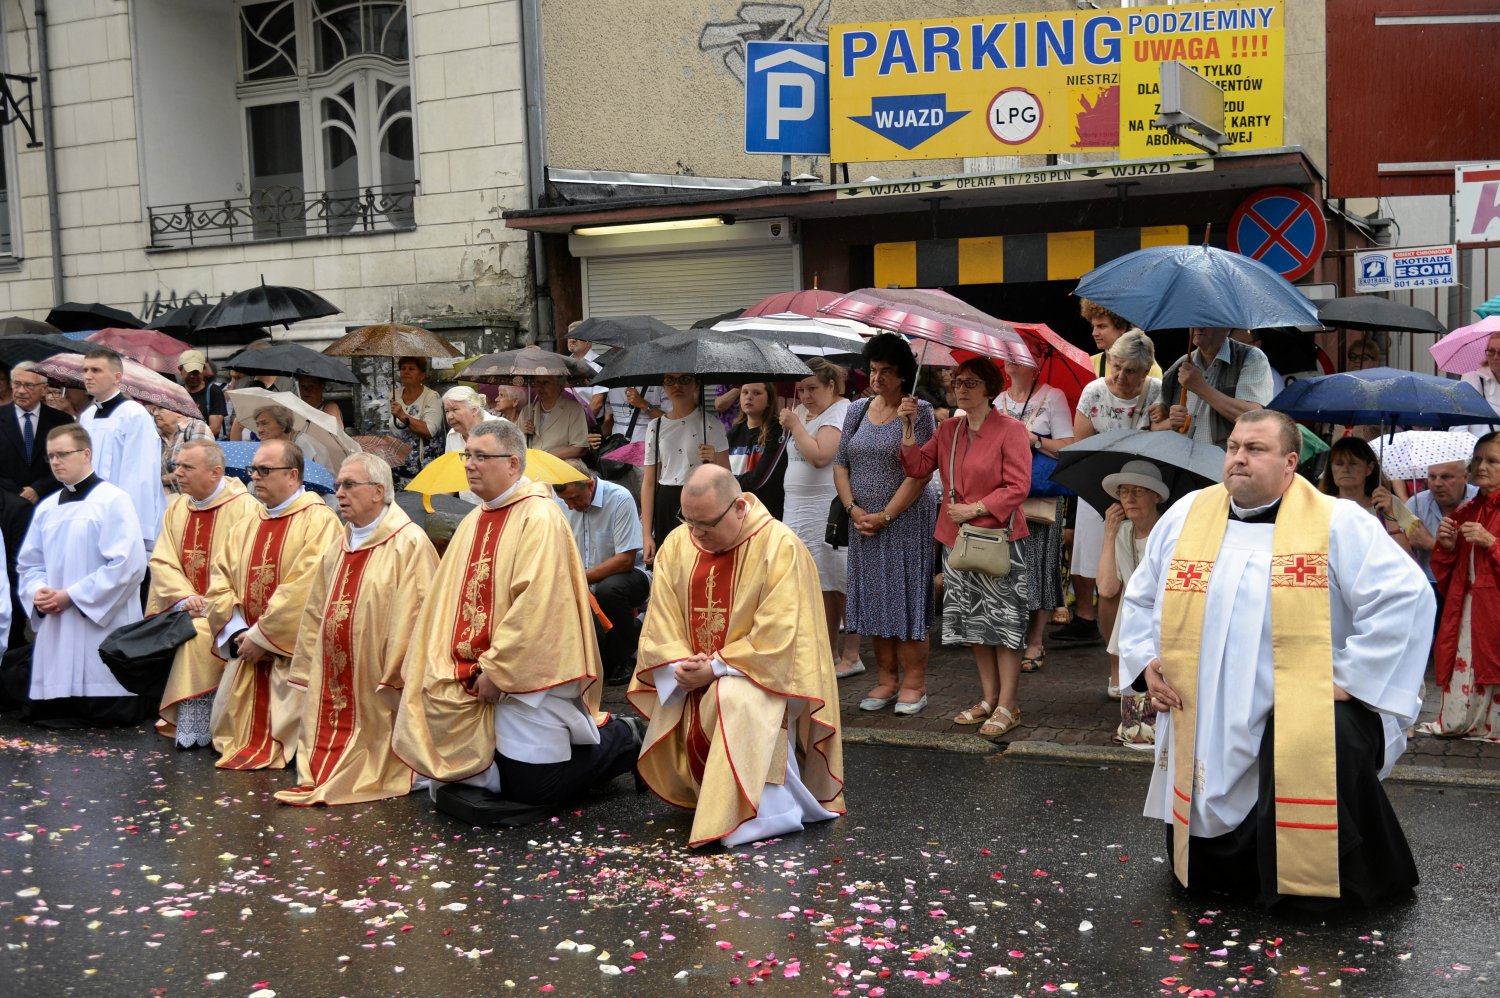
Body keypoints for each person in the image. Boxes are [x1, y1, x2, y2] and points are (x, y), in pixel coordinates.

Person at [1121, 410, 1432, 908]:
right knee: (1205, 873)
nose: (1239, 458)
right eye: (1233, 448)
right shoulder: (1187, 516)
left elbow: (1406, 598)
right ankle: (1219, 873)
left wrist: (1353, 679)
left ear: (1291, 463)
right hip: (1202, 708)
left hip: (1293, 703)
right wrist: (1143, 663)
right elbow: (1140, 597)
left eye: (1255, 449)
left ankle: (1306, 886)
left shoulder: (1337, 522)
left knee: (1306, 752)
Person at [392, 421, 641, 823]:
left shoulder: (539, 516)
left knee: (532, 789)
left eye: (480, 456)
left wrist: (496, 668)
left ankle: (623, 738)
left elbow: (538, 605)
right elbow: (448, 598)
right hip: (470, 669)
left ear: (512, 463)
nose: (469, 465)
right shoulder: (476, 519)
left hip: (524, 673)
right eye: (466, 455)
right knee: (477, 778)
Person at [629, 465, 845, 847]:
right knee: (710, 695)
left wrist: (715, 667)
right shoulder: (678, 544)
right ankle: (714, 800)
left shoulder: (779, 546)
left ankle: (767, 812)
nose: (696, 533)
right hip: (693, 670)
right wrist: (683, 664)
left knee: (731, 697)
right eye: (688, 520)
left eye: (706, 523)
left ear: (740, 507)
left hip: (761, 674)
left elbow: (781, 634)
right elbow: (660, 620)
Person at [276, 454, 439, 806]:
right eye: (338, 486)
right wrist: (307, 661)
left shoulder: (408, 542)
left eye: (349, 485)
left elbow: (419, 614)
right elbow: (316, 609)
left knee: (377, 742)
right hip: (337, 669)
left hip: (377, 675)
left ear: (378, 491)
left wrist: (395, 671)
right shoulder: (341, 542)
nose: (340, 493)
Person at [899, 357, 1032, 738]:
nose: (960, 387)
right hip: (958, 541)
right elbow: (917, 466)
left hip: (998, 540)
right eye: (957, 381)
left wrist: (975, 508)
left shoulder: (1012, 430)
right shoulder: (949, 429)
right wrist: (907, 427)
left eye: (971, 383)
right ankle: (989, 699)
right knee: (975, 623)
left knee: (1006, 625)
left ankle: (1009, 704)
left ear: (991, 389)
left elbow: (1018, 486)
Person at [204, 439, 342, 770]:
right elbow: (219, 579)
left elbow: (306, 588)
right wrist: (237, 629)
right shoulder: (246, 524)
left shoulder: (319, 521)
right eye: (254, 469)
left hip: (290, 661)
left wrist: (261, 637)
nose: (256, 477)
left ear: (293, 475)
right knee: (226, 736)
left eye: (265, 470)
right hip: (247, 650)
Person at [17, 425, 147, 727]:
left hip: (100, 620)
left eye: (63, 454)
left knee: (101, 693)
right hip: (58, 617)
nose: (56, 462)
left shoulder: (113, 500)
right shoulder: (47, 507)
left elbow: (128, 565)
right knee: (56, 713)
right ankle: (59, 704)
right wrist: (38, 592)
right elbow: (29, 564)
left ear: (86, 454)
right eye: (51, 456)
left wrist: (71, 596)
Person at [834, 334, 937, 707]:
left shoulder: (919, 411)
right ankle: (885, 680)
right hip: (862, 522)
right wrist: (853, 510)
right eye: (873, 370)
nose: (877, 378)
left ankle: (915, 684)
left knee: (905, 598)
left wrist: (886, 515)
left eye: (887, 371)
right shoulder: (857, 409)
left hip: (905, 521)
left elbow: (921, 472)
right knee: (875, 599)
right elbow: (841, 465)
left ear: (903, 374)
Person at [145, 440, 257, 748]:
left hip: (230, 610)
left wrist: (211, 603)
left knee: (196, 636)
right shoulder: (179, 507)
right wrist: (183, 597)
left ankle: (204, 727)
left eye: (187, 467)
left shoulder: (245, 508)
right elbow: (162, 558)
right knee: (189, 628)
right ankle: (194, 723)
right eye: (176, 466)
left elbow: (249, 564)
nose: (177, 473)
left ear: (215, 472)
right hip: (185, 605)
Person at [1060, 330, 1162, 652]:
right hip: (1099, 493)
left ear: (1146, 371)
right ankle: (1113, 662)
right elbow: (1081, 448)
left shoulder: (1159, 392)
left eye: (1130, 370)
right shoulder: (1094, 392)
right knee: (1107, 585)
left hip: (1144, 495)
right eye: (1115, 365)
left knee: (1143, 577)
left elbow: (1164, 445)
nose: (1120, 375)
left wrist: (1164, 424)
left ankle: (1141, 652)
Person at [781, 359, 860, 674]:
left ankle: (852, 655)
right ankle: (829, 652)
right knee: (818, 582)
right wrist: (796, 421)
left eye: (812, 388)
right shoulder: (800, 412)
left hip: (826, 507)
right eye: (801, 389)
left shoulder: (841, 411)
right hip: (796, 507)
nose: (806, 396)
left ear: (832, 385)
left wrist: (796, 427)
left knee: (840, 579)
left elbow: (820, 456)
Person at [999, 352, 1075, 673]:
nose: (1011, 359)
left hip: (1041, 494)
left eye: (1021, 354)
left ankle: (1035, 641)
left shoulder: (1052, 396)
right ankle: (1011, 636)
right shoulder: (998, 401)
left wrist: (1032, 439)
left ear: (1036, 365)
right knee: (1007, 566)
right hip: (1004, 494)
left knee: (1040, 564)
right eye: (1008, 354)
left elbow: (1069, 445)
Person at [1428, 432, 1500, 741]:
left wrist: (1492, 542)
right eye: (1478, 459)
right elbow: (1446, 573)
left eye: (1492, 460)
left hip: (1494, 607)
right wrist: (1445, 546)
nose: (1481, 466)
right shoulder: (1467, 510)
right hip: (1466, 607)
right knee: (1464, 659)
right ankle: (1462, 722)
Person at [1096, 460, 1170, 749]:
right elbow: (1107, 588)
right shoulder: (1123, 532)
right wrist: (1109, 534)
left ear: (1156, 496)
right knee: (1133, 731)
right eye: (1124, 491)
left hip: (1163, 620)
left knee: (1158, 715)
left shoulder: (1169, 532)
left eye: (1139, 490)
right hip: (1132, 621)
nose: (1129, 498)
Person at [554, 468, 649, 686]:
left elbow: (625, 560)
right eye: (564, 500)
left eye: (574, 498)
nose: (569, 506)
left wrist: (580, 578)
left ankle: (624, 659)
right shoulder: (558, 504)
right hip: (581, 578)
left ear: (589, 484)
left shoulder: (619, 498)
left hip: (629, 575)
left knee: (609, 590)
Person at [0, 363, 68, 647]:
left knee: (48, 568)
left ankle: (50, 632)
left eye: (29, 385)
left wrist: (38, 488)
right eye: (17, 384)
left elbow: (67, 461)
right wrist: (15, 493)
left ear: (43, 390)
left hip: (48, 504)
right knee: (13, 570)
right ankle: (15, 636)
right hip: (7, 508)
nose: (21, 391)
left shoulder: (61, 421)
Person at [79, 348, 168, 553]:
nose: (88, 376)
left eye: (96, 370)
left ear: (117, 377)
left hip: (120, 513)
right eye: (85, 370)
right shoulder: (88, 415)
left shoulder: (133, 415)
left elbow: (140, 475)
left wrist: (128, 522)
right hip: (91, 510)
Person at [640, 373, 729, 566]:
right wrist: (646, 534)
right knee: (670, 565)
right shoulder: (655, 426)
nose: (677, 385)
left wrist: (713, 459)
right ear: (663, 385)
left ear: (696, 383)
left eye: (685, 380)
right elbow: (648, 483)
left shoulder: (712, 424)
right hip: (666, 500)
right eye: (670, 380)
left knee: (700, 564)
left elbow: (728, 479)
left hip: (701, 498)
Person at [1153, 326, 1276, 449]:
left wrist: (1201, 388)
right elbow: (1153, 425)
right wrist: (1169, 421)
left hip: (1224, 462)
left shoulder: (1251, 357)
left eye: (1206, 321)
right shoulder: (1180, 365)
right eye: (1194, 321)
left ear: (1226, 327)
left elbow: (1253, 417)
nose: (1198, 327)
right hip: (1180, 461)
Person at [1318, 437, 1413, 556]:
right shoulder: (1320, 506)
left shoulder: (1388, 502)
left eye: (1353, 463)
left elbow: (1407, 557)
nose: (1346, 469)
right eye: (1339, 464)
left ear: (1369, 468)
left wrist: (1389, 514)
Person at [1399, 457, 1478, 595]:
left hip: (1469, 587)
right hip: (1426, 585)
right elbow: (1398, 552)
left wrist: (1432, 544)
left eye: (1446, 477)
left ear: (1465, 477)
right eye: (1432, 477)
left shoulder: (1479, 501)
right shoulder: (1416, 503)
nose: (1437, 484)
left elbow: (1482, 556)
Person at [725, 382, 788, 519]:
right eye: (745, 392)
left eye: (757, 393)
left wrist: (728, 484)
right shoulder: (732, 433)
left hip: (765, 513)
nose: (749, 397)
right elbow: (722, 472)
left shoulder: (778, 431)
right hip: (734, 512)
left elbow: (761, 478)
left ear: (769, 401)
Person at [390, 356, 443, 486]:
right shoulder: (394, 395)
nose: (406, 372)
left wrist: (402, 415)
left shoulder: (431, 396)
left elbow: (429, 430)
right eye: (403, 368)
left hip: (424, 467)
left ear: (422, 375)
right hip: (399, 467)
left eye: (411, 369)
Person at [1079, 299, 1161, 378]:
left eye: (1101, 326)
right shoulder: (1088, 365)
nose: (1094, 333)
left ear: (1122, 327)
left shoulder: (1147, 368)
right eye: (1093, 326)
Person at [521, 374, 589, 460]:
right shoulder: (527, 410)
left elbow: (580, 448)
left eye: (546, 382)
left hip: (560, 464)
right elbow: (514, 446)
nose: (540, 387)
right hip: (531, 464)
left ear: (560, 385)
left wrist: (545, 456)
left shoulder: (574, 408)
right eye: (538, 382)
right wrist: (522, 433)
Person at [149, 404, 214, 494]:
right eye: (153, 410)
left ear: (178, 412)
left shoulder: (196, 427)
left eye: (160, 408)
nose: (155, 413)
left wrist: (161, 480)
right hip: (168, 503)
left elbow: (200, 468)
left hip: (194, 501)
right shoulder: (155, 438)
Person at [1456, 330, 1500, 438]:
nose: (1495, 357)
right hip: (1477, 451)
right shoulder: (1471, 379)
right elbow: (1458, 426)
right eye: (1491, 351)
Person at [178, 350, 226, 438]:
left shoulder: (213, 392)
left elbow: (215, 428)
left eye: (196, 372)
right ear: (180, 370)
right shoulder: (176, 392)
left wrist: (189, 438)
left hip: (204, 444)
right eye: (189, 372)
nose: (192, 376)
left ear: (204, 370)